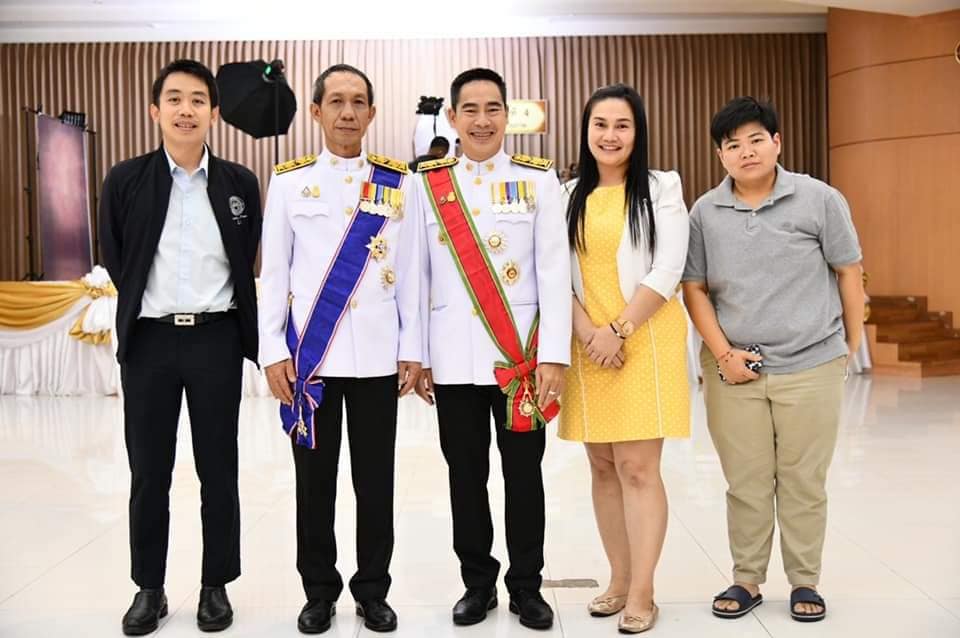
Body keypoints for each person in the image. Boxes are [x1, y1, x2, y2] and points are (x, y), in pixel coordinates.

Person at [681, 97, 864, 624]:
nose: (746, 152)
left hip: (811, 364)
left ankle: (805, 580)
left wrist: (847, 348)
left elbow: (849, 271)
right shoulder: (705, 212)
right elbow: (694, 288)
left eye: (756, 140)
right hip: (733, 371)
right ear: (720, 155)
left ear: (777, 142)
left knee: (804, 480)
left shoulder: (818, 198)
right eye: (733, 145)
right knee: (746, 482)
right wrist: (723, 355)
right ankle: (747, 579)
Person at [99, 58, 262, 635]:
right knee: (150, 471)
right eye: (174, 98)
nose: (185, 109)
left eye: (197, 100)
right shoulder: (125, 180)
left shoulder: (240, 183)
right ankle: (149, 586)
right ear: (155, 110)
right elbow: (118, 258)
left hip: (216, 338)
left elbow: (245, 258)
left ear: (214, 113)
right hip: (150, 342)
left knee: (219, 468)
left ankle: (216, 584)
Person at [258, 63, 421, 635]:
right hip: (312, 361)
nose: (347, 112)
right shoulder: (289, 182)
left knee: (376, 482)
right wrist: (273, 351)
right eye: (336, 101)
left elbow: (411, 273)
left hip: (377, 356)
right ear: (316, 111)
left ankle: (373, 590)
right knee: (314, 483)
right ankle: (318, 591)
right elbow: (274, 275)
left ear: (372, 113)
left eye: (358, 103)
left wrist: (412, 348)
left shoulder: (400, 183)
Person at [412, 67, 571, 631]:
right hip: (453, 360)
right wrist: (419, 356)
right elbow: (417, 276)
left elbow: (555, 271)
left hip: (519, 360)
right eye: (471, 110)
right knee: (465, 476)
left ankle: (527, 585)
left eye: (493, 109)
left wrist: (554, 356)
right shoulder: (426, 184)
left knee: (524, 476)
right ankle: (476, 584)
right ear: (452, 118)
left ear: (508, 115)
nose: (482, 121)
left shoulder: (538, 179)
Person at [558, 83, 690, 634]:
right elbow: (554, 273)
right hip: (588, 344)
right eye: (600, 124)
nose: (610, 136)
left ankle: (643, 591)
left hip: (643, 339)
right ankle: (618, 578)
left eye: (622, 125)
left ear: (638, 133)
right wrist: (589, 332)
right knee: (603, 466)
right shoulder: (567, 193)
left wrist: (618, 330)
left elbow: (669, 267)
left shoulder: (661, 187)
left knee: (638, 468)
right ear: (586, 130)